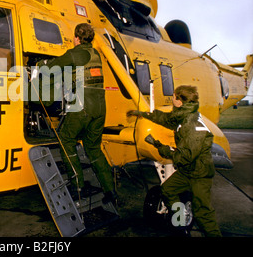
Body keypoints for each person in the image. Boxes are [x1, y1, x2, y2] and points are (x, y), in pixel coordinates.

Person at [127, 85, 222, 237]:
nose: (171, 98)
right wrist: (142, 114)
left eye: (173, 96)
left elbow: (183, 157)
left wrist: (159, 146)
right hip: (187, 170)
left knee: (203, 213)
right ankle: (180, 225)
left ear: (179, 101)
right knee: (168, 190)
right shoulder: (184, 115)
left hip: (199, 174)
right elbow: (166, 119)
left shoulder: (192, 126)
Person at [37, 23, 115, 203]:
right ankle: (110, 190)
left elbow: (52, 68)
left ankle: (77, 186)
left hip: (82, 105)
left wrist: (41, 63)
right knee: (93, 147)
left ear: (77, 38)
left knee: (65, 139)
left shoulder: (74, 53)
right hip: (100, 106)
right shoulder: (95, 54)